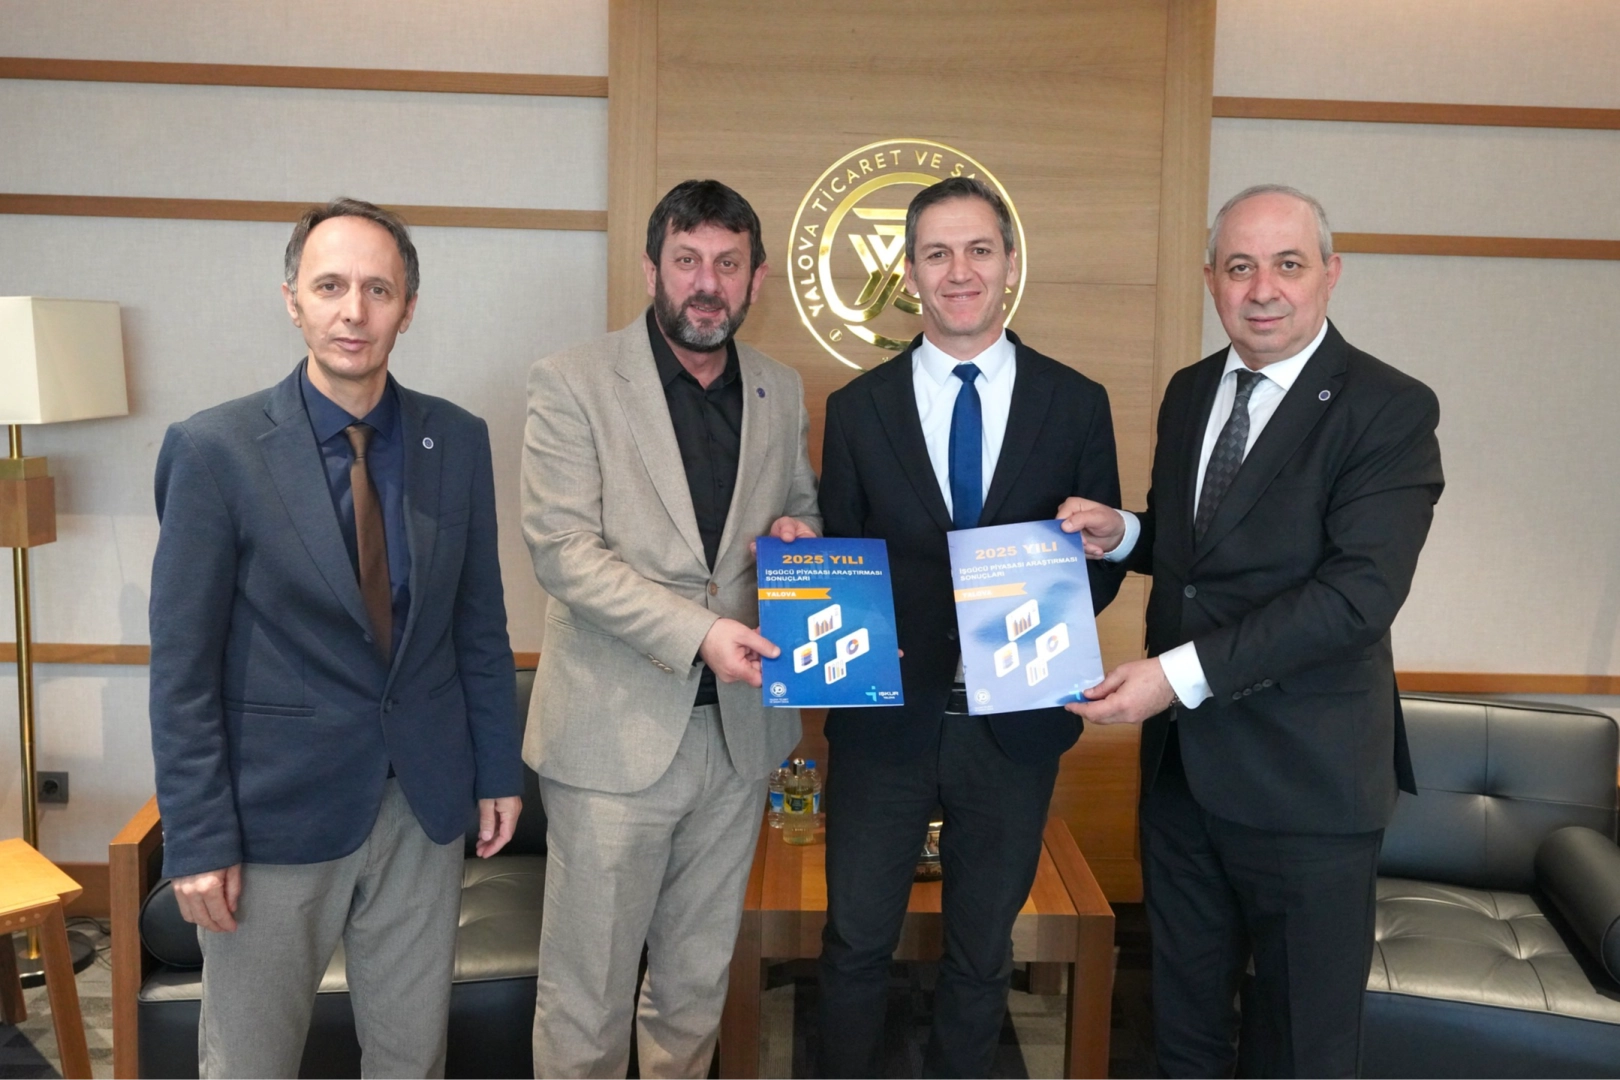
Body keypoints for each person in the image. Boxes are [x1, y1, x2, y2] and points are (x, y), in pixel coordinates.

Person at [1059, 184, 1445, 1078]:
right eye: (1239, 267)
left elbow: (1356, 597)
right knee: (1181, 1034)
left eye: (1287, 264)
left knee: (1302, 1046)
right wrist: (1131, 534)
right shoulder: (1193, 391)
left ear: (1330, 274)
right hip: (1184, 780)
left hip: (1309, 787)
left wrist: (1173, 675)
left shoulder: (1388, 408)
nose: (1262, 289)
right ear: (1211, 280)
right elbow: (1206, 553)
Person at [148, 197, 523, 1080]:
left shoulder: (455, 438)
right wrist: (196, 837)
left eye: (377, 290)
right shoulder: (214, 450)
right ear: (292, 301)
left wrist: (497, 769)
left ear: (408, 307)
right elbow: (182, 667)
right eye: (330, 287)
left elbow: (478, 622)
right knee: (251, 1063)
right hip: (274, 815)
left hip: (423, 803)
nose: (354, 311)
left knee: (410, 1058)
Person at [815, 175, 1126, 1079]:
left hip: (1013, 726)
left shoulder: (1077, 402)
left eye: (979, 250)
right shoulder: (857, 408)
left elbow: (1100, 560)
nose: (960, 271)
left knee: (983, 956)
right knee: (853, 945)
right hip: (885, 722)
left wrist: (1039, 620)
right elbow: (844, 555)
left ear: (1011, 264)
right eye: (938, 253)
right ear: (910, 272)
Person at [522, 178, 820, 1079]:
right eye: (687, 260)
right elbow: (563, 552)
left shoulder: (778, 388)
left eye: (727, 264)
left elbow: (798, 509)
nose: (706, 283)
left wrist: (798, 536)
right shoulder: (572, 381)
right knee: (587, 1000)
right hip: (611, 738)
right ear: (652, 269)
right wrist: (699, 634)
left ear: (756, 279)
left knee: (693, 990)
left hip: (739, 740)